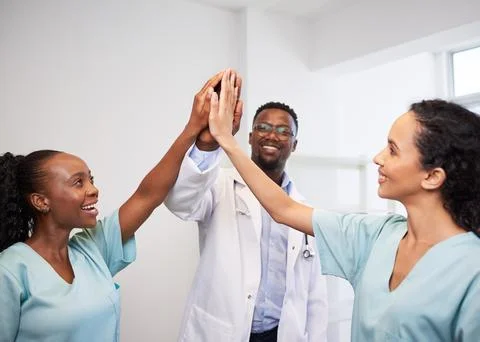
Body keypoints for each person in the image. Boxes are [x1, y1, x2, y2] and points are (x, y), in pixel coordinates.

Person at [208, 94, 480, 341]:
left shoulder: (471, 270)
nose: (378, 158)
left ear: (432, 177)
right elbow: (283, 209)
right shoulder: (375, 235)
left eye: (392, 150)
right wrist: (227, 142)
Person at [0, 69, 239, 342]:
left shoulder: (91, 249)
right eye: (78, 183)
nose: (93, 190)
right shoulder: (10, 271)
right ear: (41, 201)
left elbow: (147, 195)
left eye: (91, 179)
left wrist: (193, 129)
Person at [165, 96, 329, 341]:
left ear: (294, 144)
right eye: (263, 127)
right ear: (251, 137)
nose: (272, 136)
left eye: (284, 131)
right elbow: (180, 203)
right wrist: (208, 145)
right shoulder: (219, 184)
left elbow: (315, 295)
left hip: (281, 334)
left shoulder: (303, 209)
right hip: (225, 331)